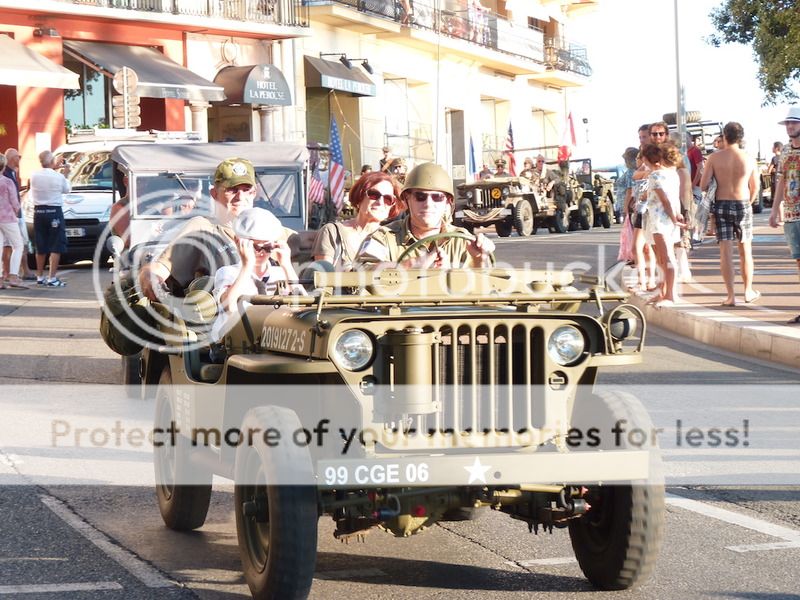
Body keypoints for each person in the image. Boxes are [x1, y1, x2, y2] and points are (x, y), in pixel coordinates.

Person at [137, 157, 256, 301]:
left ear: (254, 193)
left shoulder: (268, 229)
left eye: (247, 190)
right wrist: (149, 276)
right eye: (232, 190)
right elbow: (161, 268)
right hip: (224, 314)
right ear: (214, 194)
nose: (240, 197)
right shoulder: (202, 228)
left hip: (270, 309)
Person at [356, 162, 494, 268]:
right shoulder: (384, 237)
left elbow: (482, 290)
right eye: (420, 196)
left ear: (448, 202)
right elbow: (361, 274)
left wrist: (478, 260)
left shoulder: (462, 241)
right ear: (406, 199)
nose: (428, 204)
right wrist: (411, 265)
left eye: (437, 197)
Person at [212, 207, 301, 341]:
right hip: (235, 342)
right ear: (238, 241)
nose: (261, 253)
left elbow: (302, 307)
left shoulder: (281, 273)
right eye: (255, 246)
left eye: (267, 247)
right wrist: (247, 265)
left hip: (273, 340)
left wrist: (287, 265)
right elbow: (229, 306)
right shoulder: (228, 273)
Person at [700, 121, 759, 307]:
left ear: (724, 136)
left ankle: (731, 295)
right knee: (745, 250)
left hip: (721, 204)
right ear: (741, 137)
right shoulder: (749, 158)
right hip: (743, 203)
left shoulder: (714, 158)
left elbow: (703, 185)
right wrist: (748, 203)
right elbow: (755, 187)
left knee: (725, 251)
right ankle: (748, 291)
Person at [312, 171, 403, 271]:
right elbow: (323, 279)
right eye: (373, 195)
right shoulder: (332, 233)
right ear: (359, 197)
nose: (380, 202)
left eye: (388, 198)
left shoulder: (393, 239)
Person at [642, 143, 685, 307]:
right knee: (663, 257)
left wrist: (674, 218)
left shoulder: (655, 176)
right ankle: (663, 292)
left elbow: (664, 199)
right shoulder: (672, 174)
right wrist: (677, 214)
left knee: (666, 257)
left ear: (647, 159)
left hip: (661, 220)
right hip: (665, 219)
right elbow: (673, 198)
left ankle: (670, 295)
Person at [768, 108, 800, 324]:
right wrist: (774, 209)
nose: (790, 126)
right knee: (798, 261)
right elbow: (780, 180)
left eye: (794, 123)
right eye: (788, 123)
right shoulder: (786, 150)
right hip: (790, 214)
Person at [30, 150, 71, 287]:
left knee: (40, 245)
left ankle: (40, 276)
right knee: (56, 244)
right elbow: (67, 189)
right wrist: (64, 174)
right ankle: (52, 277)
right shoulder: (58, 177)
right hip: (54, 211)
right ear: (52, 161)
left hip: (39, 211)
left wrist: (54, 167)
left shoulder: (34, 175)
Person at [0, 154, 26, 289]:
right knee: (18, 245)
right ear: (3, 166)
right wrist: (17, 211)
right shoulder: (7, 181)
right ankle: (13, 276)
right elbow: (14, 201)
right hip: (7, 217)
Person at [767, 141, 784, 206]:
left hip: (776, 181)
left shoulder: (774, 158)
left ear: (776, 148)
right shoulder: (784, 157)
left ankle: (780, 216)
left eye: (773, 147)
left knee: (777, 199)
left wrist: (772, 170)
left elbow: (769, 170)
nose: (772, 148)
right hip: (784, 180)